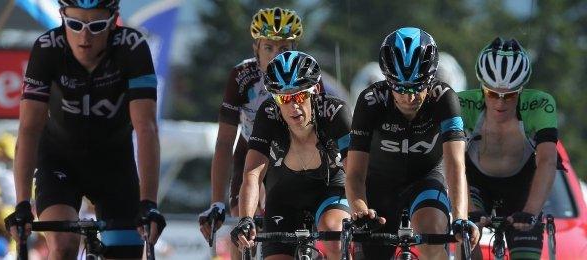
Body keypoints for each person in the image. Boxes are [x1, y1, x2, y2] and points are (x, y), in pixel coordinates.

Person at [3, 1, 166, 258]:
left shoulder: (132, 47)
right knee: (64, 244)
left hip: (115, 164)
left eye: (96, 26)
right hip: (59, 161)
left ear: (113, 22)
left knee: (125, 254)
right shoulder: (47, 49)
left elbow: (146, 128)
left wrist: (149, 204)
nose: (84, 36)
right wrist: (22, 204)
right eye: (75, 24)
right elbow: (29, 129)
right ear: (62, 18)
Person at [345, 27, 480, 259]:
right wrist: (360, 210)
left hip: (425, 178)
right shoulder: (370, 101)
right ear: (387, 80)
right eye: (400, 87)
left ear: (431, 77)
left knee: (433, 233)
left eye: (418, 86)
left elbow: (456, 165)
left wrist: (460, 218)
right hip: (380, 184)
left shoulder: (445, 98)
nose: (409, 97)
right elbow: (355, 172)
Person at [198, 6, 305, 246]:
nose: (277, 55)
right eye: (269, 47)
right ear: (255, 47)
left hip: (292, 153)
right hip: (250, 151)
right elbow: (225, 141)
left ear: (294, 49)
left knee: (293, 223)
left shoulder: (305, 74)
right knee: (241, 221)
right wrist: (217, 201)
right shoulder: (242, 76)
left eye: (284, 48)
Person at [230, 51, 351, 259]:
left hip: (330, 189)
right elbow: (252, 173)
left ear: (314, 91)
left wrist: (363, 207)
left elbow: (355, 168)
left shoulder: (334, 112)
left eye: (300, 96)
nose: (293, 106)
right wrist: (246, 218)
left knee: (334, 235)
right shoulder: (268, 115)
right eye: (284, 98)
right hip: (285, 196)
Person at [459, 37, 558, 259]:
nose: (500, 103)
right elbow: (452, 162)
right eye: (492, 94)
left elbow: (547, 161)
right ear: (482, 88)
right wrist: (470, 211)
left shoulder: (540, 104)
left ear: (521, 90)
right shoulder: (462, 104)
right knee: (467, 238)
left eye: (510, 95)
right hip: (475, 182)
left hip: (520, 184)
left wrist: (531, 212)